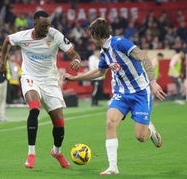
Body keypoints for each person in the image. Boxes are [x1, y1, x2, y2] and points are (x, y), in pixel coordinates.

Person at [63, 17, 166, 175]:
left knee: (140, 137)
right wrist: (77, 78)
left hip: (140, 93)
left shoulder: (120, 43)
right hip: (121, 94)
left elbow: (144, 57)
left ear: (97, 35)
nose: (91, 39)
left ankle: (150, 131)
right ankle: (113, 167)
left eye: (92, 35)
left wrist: (153, 82)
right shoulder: (104, 53)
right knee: (110, 122)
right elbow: (100, 72)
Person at [0, 10, 81, 169]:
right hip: (30, 78)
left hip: (50, 81)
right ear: (34, 24)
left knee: (59, 123)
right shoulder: (23, 36)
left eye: (48, 25)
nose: (47, 29)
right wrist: (2, 62)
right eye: (43, 26)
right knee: (34, 109)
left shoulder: (55, 35)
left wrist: (76, 60)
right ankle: (31, 153)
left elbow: (73, 53)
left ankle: (56, 151)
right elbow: (7, 40)